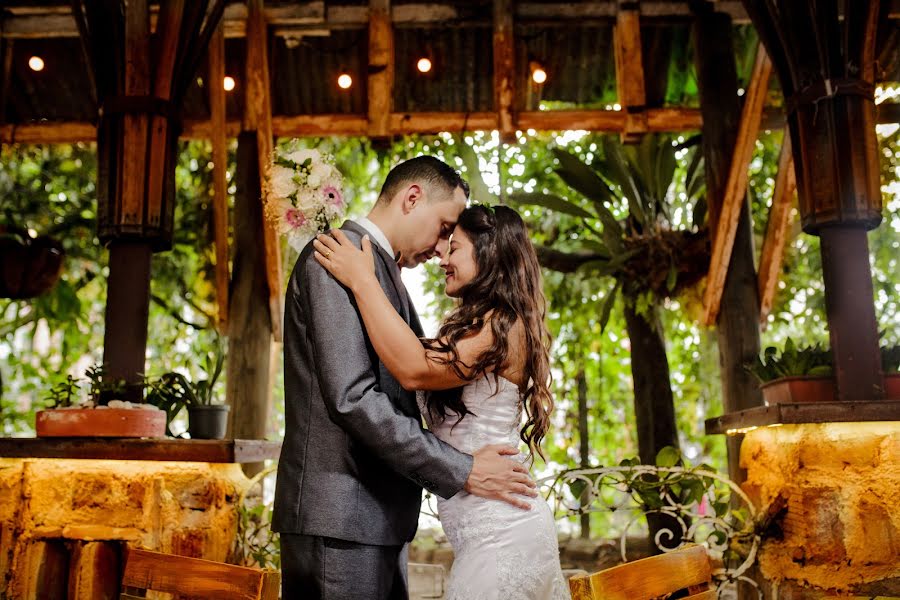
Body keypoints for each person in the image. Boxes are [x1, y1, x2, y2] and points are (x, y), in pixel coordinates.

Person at [273, 157, 538, 600]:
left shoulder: (379, 271)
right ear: (412, 198)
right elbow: (353, 399)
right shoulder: (334, 257)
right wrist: (461, 469)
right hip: (340, 517)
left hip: (378, 517)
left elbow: (414, 369)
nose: (440, 249)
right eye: (443, 228)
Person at [314, 203, 570, 600]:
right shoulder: (477, 328)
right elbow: (403, 349)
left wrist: (364, 282)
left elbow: (413, 368)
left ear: (489, 254)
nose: (442, 259)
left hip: (504, 536)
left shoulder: (504, 326)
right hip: (481, 537)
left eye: (456, 248)